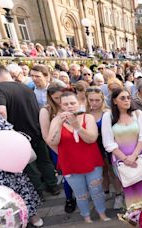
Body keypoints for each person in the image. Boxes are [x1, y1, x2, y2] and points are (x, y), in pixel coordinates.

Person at [0, 63, 60, 200]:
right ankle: (53, 186)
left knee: (29, 165)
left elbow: (0, 111)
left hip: (18, 135)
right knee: (44, 161)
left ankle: (38, 192)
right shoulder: (26, 87)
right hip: (36, 129)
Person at [47, 92, 109, 223]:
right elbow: (52, 141)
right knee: (80, 194)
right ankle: (86, 216)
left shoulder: (88, 117)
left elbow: (92, 138)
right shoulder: (56, 120)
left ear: (78, 103)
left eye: (72, 103)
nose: (70, 106)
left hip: (91, 161)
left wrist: (77, 126)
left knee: (97, 190)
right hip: (70, 163)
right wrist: (59, 124)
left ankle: (102, 213)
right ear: (61, 105)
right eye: (66, 104)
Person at [0, 113, 43, 227]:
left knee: (20, 190)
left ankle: (31, 215)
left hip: (9, 164)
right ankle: (3, 222)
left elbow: (11, 136)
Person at [102, 87, 142, 208]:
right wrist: (125, 159)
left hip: (140, 158)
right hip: (121, 161)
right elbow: (108, 143)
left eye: (128, 97)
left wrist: (133, 156)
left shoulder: (137, 114)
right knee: (130, 191)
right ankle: (135, 219)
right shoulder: (108, 117)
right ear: (114, 101)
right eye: (122, 98)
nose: (127, 100)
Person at [39, 84, 76, 213]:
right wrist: (59, 153)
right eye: (56, 98)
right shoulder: (47, 111)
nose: (61, 101)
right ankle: (69, 198)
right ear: (50, 97)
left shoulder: (71, 105)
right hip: (58, 148)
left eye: (62, 97)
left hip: (75, 146)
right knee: (68, 175)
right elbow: (46, 136)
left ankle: (82, 195)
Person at [85, 86, 124, 210]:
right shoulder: (85, 114)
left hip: (108, 145)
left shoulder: (108, 113)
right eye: (91, 100)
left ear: (103, 100)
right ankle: (106, 192)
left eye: (97, 100)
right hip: (93, 146)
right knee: (101, 172)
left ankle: (118, 195)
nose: (94, 103)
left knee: (113, 171)